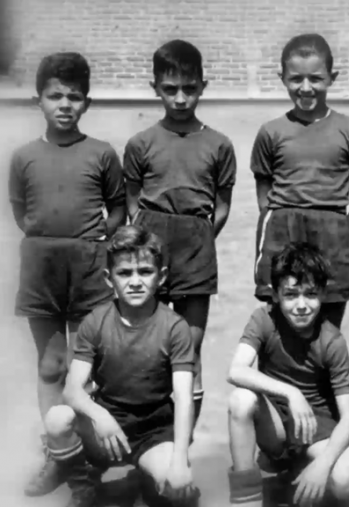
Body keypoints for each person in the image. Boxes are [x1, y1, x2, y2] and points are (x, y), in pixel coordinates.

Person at [9, 52, 126, 497]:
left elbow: (117, 208)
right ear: (38, 100)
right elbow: (21, 210)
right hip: (41, 267)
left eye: (73, 97)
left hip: (88, 267)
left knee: (84, 366)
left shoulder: (101, 153)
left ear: (87, 103)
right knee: (51, 363)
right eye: (54, 95)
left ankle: (87, 459)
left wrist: (90, 246)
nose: (64, 104)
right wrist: (50, 243)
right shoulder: (23, 157)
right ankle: (58, 455)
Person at [123, 39, 237, 425]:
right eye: (170, 89)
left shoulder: (219, 144)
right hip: (151, 242)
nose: (181, 98)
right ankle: (152, 429)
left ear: (203, 85)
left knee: (189, 347)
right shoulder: (141, 143)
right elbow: (133, 203)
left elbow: (221, 207)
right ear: (155, 88)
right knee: (149, 340)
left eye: (189, 88)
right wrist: (151, 240)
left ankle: (182, 438)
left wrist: (198, 237)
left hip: (195, 245)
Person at [42, 226, 196, 507]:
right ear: (109, 279)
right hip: (107, 423)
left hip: (153, 430)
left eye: (145, 272)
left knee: (177, 488)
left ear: (160, 277)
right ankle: (83, 486)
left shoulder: (175, 328)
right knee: (57, 418)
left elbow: (184, 398)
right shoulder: (95, 322)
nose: (135, 282)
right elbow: (72, 390)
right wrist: (99, 415)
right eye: (125, 273)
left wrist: (180, 460)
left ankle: (151, 474)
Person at [227, 243, 349, 507]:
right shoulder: (264, 319)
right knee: (241, 399)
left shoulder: (332, 341)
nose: (301, 305)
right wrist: (291, 392)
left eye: (310, 294)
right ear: (275, 295)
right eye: (290, 295)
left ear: (322, 293)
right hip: (275, 425)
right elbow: (236, 370)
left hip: (316, 429)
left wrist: (323, 466)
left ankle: (301, 467)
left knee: (344, 483)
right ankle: (246, 499)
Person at [251, 34, 349, 328]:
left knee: (328, 326)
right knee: (281, 324)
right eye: (296, 79)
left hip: (332, 232)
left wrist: (341, 233)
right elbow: (265, 198)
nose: (305, 88)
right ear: (282, 78)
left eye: (316, 79)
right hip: (282, 230)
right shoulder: (271, 132)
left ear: (332, 77)